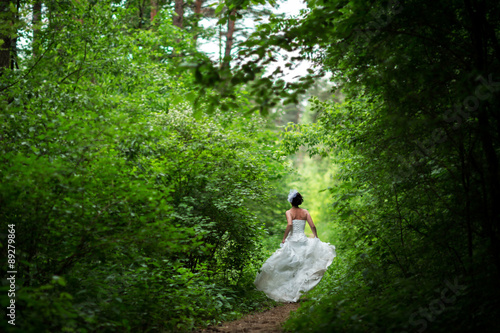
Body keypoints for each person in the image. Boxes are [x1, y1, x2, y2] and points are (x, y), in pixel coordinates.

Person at [254, 190, 336, 302]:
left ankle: (286, 290)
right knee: (302, 265)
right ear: (299, 201)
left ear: (291, 201)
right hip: (302, 240)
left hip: (293, 240)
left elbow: (290, 224)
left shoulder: (289, 212)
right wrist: (316, 237)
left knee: (288, 264)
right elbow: (312, 225)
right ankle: (297, 291)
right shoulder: (305, 212)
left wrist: (284, 238)